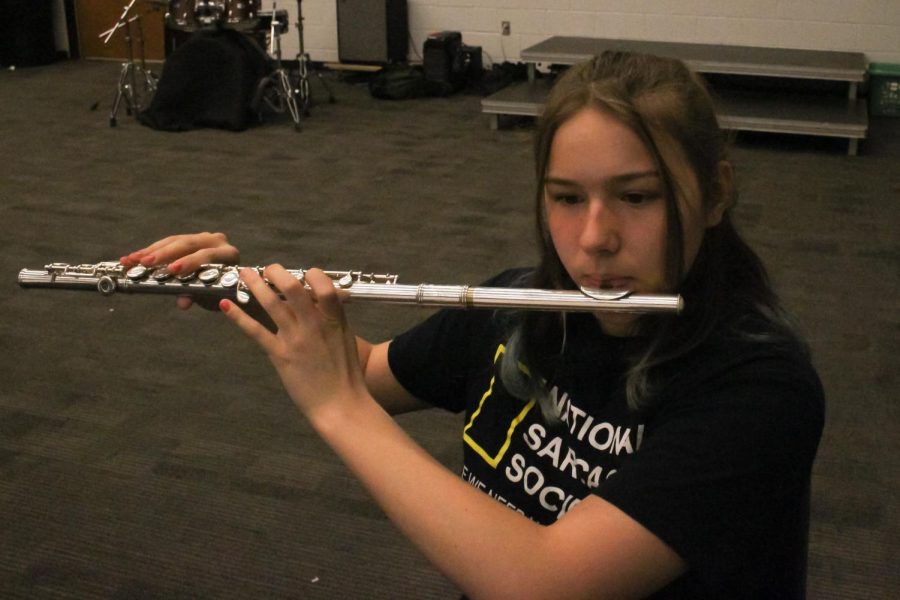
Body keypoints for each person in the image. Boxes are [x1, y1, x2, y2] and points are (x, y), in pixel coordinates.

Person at [122, 51, 824, 599]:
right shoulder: (521, 303)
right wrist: (249, 297)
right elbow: (365, 371)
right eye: (566, 198)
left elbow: (545, 582)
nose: (594, 239)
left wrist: (335, 409)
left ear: (714, 195)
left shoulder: (759, 388)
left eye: (636, 197)